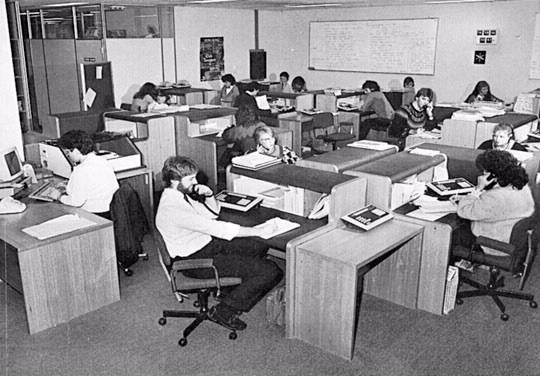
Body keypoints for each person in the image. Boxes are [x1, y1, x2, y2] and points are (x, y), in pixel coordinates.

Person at [155, 156, 284, 331]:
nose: (195, 182)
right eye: (191, 179)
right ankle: (224, 311)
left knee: (258, 246)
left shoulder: (179, 195)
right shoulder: (172, 207)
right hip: (194, 261)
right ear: (174, 180)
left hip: (206, 245)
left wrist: (208, 195)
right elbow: (217, 227)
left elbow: (212, 214)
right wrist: (257, 230)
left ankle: (228, 290)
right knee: (270, 270)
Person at [451, 149, 534, 257]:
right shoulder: (522, 187)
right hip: (510, 237)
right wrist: (470, 197)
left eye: (485, 171)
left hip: (493, 244)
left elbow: (464, 211)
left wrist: (478, 188)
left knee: (451, 234)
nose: (482, 174)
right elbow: (499, 202)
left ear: (493, 174)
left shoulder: (495, 197)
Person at [53, 130, 119, 217]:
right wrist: (68, 187)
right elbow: (93, 186)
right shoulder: (103, 162)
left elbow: (76, 202)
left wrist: (59, 196)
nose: (68, 156)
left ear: (76, 151)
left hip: (94, 215)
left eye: (68, 153)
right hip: (111, 211)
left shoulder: (81, 170)